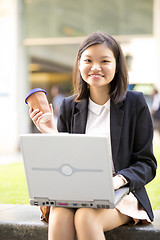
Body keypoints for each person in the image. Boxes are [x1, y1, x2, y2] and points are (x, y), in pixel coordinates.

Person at [29, 32, 157, 240]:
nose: (95, 67)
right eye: (88, 60)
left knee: (86, 217)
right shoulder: (71, 106)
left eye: (105, 61)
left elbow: (147, 163)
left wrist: (118, 180)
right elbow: (65, 163)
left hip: (121, 193)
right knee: (59, 213)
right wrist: (52, 133)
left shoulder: (135, 103)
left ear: (117, 65)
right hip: (77, 193)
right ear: (79, 64)